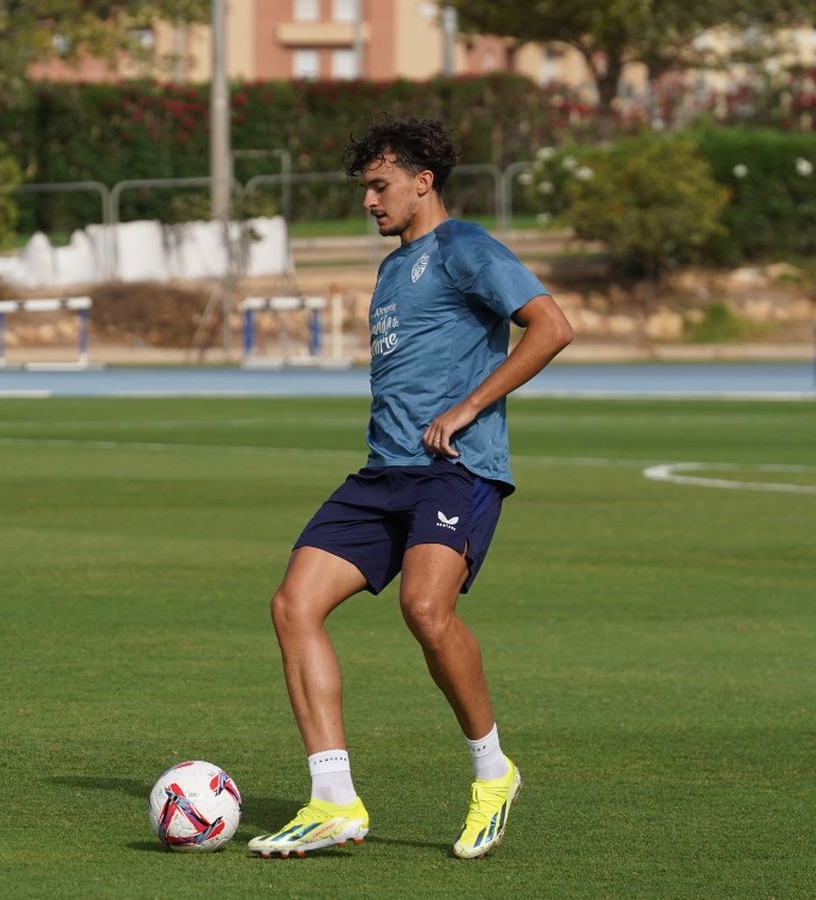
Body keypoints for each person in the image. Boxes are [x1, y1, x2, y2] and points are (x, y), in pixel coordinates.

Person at [247, 117, 573, 860]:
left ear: (423, 182)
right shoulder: (394, 269)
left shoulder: (466, 247)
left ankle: (493, 772)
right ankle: (333, 801)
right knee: (293, 605)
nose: (369, 200)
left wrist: (468, 408)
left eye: (380, 185)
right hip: (383, 472)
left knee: (425, 609)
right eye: (365, 187)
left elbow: (551, 327)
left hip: (456, 468)